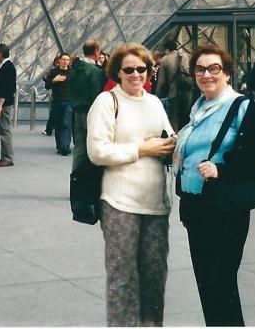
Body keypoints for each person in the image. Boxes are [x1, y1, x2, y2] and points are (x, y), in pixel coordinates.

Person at [174, 45, 255, 326]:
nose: (207, 74)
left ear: (227, 73)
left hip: (225, 207)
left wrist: (221, 169)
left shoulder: (244, 107)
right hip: (196, 205)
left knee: (222, 282)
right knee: (207, 284)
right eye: (200, 69)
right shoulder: (198, 109)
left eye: (214, 68)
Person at [87, 43, 175, 327]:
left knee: (154, 277)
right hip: (119, 202)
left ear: (150, 71)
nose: (136, 75)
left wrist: (173, 143)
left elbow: (168, 136)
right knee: (122, 278)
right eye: (129, 70)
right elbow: (97, 151)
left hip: (156, 203)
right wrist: (143, 149)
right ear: (117, 72)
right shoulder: (106, 102)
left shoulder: (154, 102)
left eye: (142, 69)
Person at [71, 39, 109, 173]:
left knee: (79, 148)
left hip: (77, 112)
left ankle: (76, 179)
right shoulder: (94, 71)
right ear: (97, 51)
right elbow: (96, 94)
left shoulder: (74, 68)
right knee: (95, 147)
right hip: (91, 112)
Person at [156, 39, 193, 130]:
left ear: (167, 49)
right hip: (187, 91)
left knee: (173, 117)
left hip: (174, 92)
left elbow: (162, 81)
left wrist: (158, 96)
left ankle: (175, 139)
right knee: (186, 115)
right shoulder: (186, 56)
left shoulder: (165, 60)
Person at [43, 52, 73, 156]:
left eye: (67, 60)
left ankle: (65, 147)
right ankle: (60, 146)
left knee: (66, 123)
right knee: (58, 124)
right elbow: (47, 85)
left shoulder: (72, 72)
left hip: (68, 101)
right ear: (59, 60)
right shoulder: (53, 72)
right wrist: (54, 80)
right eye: (64, 59)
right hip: (56, 100)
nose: (65, 61)